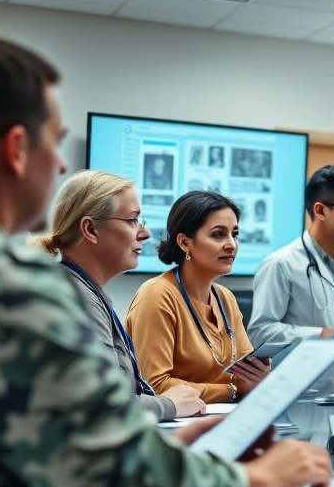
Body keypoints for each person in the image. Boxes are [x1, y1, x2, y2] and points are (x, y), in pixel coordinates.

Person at [0, 33, 331, 487]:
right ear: (14, 149)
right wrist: (261, 478)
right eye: (54, 141)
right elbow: (112, 484)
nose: (57, 166)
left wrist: (153, 449)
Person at [34, 170, 206, 421]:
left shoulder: (80, 289)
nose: (145, 233)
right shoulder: (77, 298)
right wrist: (168, 405)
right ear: (90, 229)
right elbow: (104, 407)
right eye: (132, 220)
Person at [249, 165, 334, 392]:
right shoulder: (281, 264)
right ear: (320, 211)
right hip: (298, 400)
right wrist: (321, 334)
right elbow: (259, 334)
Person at [127, 191, 268, 403]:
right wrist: (232, 391)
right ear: (185, 243)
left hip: (221, 422)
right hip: (172, 428)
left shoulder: (225, 298)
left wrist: (260, 377)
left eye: (234, 234)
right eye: (218, 234)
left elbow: (245, 376)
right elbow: (154, 385)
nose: (232, 244)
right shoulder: (157, 294)